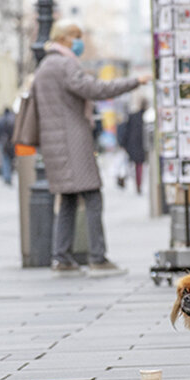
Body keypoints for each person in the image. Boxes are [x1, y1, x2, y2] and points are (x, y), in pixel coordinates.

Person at [33, 19, 152, 274]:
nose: (80, 42)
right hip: (71, 140)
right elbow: (94, 89)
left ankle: (62, 257)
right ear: (64, 38)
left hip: (54, 142)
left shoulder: (45, 65)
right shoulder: (64, 64)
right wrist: (134, 81)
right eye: (76, 36)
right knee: (93, 195)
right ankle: (97, 257)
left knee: (67, 199)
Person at [123, 99, 147, 194]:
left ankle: (137, 184)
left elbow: (126, 130)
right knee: (138, 166)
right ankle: (138, 184)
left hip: (134, 144)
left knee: (135, 166)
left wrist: (124, 143)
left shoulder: (134, 116)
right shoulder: (144, 116)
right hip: (138, 144)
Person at [0, 107, 15, 186]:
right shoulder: (13, 119)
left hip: (2, 142)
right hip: (11, 142)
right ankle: (9, 176)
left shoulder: (0, 120)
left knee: (4, 160)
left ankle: (6, 176)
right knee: (11, 160)